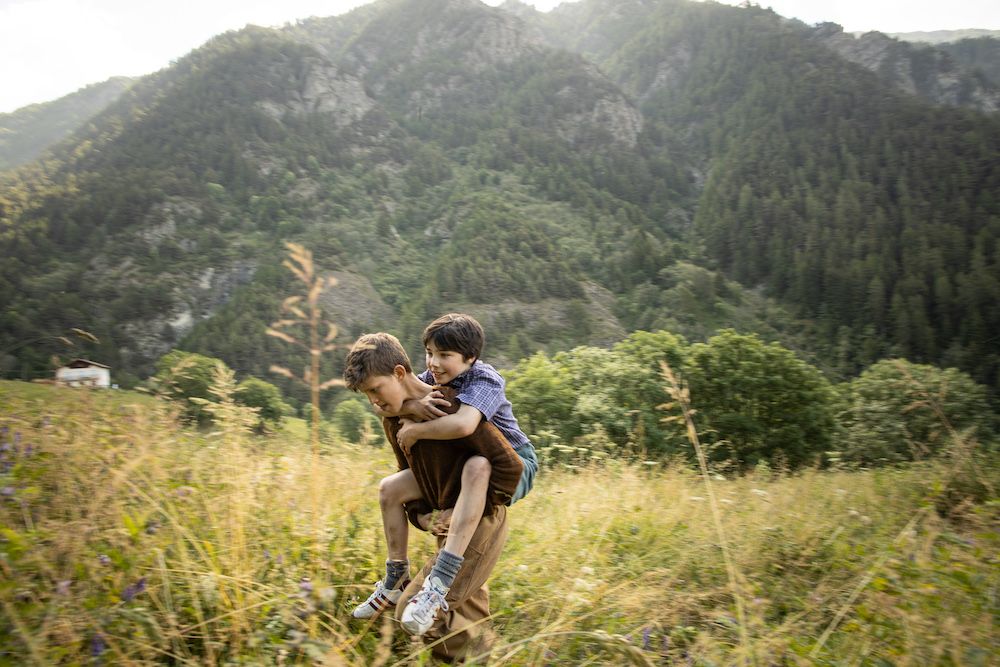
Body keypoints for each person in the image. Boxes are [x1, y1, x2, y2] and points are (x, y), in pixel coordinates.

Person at [343, 332, 524, 653]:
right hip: (449, 523)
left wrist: (470, 509)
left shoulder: (453, 405)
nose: (374, 401)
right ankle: (396, 578)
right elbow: (411, 477)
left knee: (414, 613)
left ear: (399, 373)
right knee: (465, 610)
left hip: (480, 520)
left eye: (375, 390)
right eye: (366, 395)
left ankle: (495, 656)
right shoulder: (393, 417)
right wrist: (425, 516)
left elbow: (509, 467)